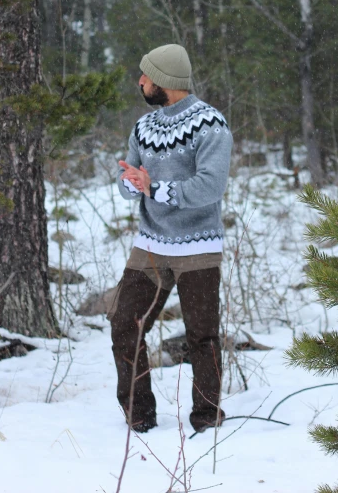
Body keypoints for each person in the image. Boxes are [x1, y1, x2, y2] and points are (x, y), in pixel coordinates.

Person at [110, 43, 233, 433]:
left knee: (202, 337)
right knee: (124, 326)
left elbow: (210, 187)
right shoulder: (144, 126)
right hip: (150, 247)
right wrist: (131, 183)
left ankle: (207, 418)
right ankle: (139, 414)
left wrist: (155, 188)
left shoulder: (210, 124)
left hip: (197, 248)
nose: (141, 82)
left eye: (146, 76)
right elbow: (131, 178)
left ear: (165, 81)